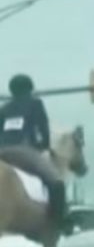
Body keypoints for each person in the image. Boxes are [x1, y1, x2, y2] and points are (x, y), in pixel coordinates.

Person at [0, 74, 68, 229]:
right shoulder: (36, 104)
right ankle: (58, 222)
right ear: (30, 89)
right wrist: (43, 146)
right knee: (57, 182)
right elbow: (43, 129)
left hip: (2, 153)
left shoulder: (3, 109)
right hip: (23, 152)